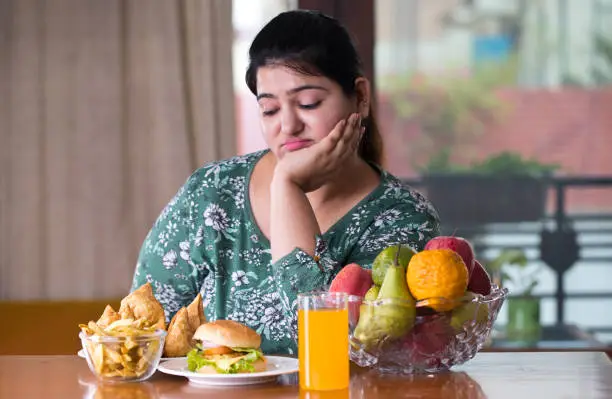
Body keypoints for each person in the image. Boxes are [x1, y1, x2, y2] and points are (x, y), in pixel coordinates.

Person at [130, 10, 440, 355]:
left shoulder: (402, 217)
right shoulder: (212, 192)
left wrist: (287, 186)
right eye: (270, 110)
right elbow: (141, 335)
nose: (288, 126)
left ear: (361, 97)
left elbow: (333, 346)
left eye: (309, 103)